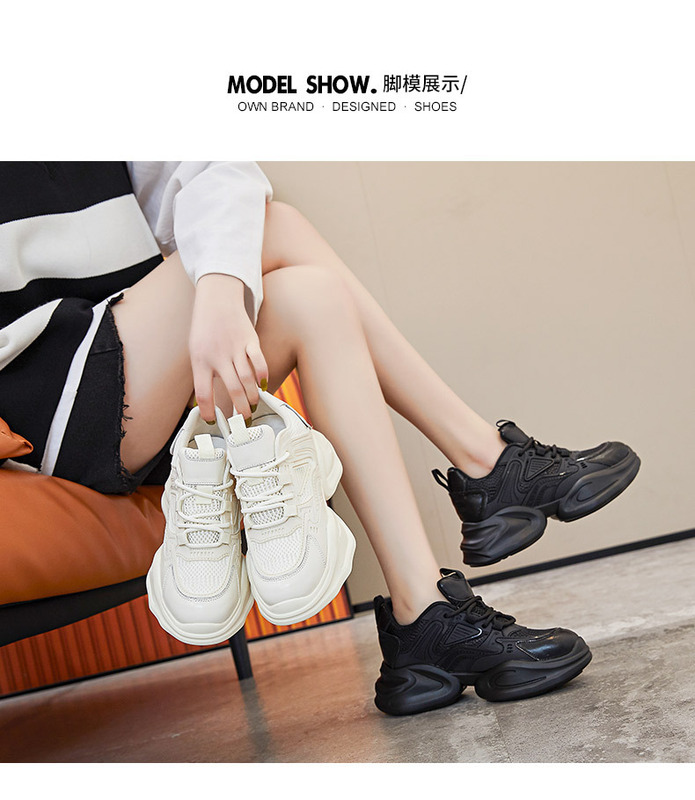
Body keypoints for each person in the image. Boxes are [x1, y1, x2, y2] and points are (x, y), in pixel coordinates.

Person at [0, 161, 639, 716]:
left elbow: (211, 169)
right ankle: (485, 463)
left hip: (144, 359)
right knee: (274, 227)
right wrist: (219, 292)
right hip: (45, 390)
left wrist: (217, 298)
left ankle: (423, 619)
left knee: (313, 297)